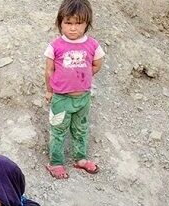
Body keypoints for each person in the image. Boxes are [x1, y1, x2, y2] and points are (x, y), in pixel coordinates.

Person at [44, 0, 104, 180]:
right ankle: (55, 162)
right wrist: (49, 91)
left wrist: (82, 76)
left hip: (83, 98)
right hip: (61, 98)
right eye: (68, 23)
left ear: (87, 24)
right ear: (60, 22)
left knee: (81, 129)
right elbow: (49, 70)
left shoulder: (92, 45)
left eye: (78, 23)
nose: (73, 28)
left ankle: (80, 159)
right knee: (58, 130)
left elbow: (97, 63)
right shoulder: (55, 46)